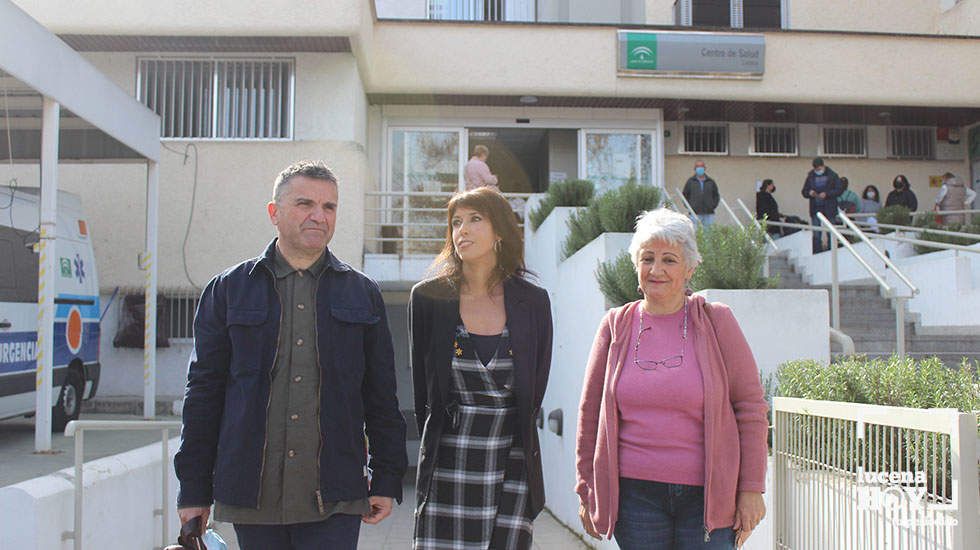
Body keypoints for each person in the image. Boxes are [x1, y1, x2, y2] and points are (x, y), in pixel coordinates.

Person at [174, 161, 407, 550]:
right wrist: (193, 489)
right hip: (252, 497)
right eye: (305, 204)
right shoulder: (227, 291)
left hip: (336, 498)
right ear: (274, 212)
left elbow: (381, 395)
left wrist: (386, 478)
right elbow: (202, 395)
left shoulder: (362, 294)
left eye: (329, 207)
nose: (319, 216)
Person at [575, 208, 768, 550]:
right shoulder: (615, 326)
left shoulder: (716, 321)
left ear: (690, 268)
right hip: (635, 498)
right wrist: (586, 488)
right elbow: (590, 414)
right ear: (637, 265)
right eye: (648, 258)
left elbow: (751, 408)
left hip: (708, 497)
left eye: (669, 259)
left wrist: (752, 488)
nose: (657, 269)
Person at [410, 187, 553, 550]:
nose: (463, 231)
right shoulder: (428, 298)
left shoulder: (533, 301)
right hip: (448, 456)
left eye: (475, 220)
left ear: (500, 231)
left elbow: (535, 387)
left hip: (512, 457)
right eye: (456, 222)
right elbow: (424, 392)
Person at [801, 157, 842, 253]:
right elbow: (804, 191)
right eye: (816, 169)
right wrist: (809, 193)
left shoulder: (832, 175)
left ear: (823, 166)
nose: (817, 171)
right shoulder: (811, 176)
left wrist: (827, 194)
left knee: (830, 232)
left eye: (819, 169)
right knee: (816, 232)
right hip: (815, 207)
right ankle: (817, 251)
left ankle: (831, 251)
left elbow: (839, 190)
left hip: (829, 207)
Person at [682, 160, 720, 227]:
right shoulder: (690, 181)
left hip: (709, 213)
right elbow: (685, 195)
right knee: (695, 233)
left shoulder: (710, 181)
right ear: (695, 168)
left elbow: (716, 195)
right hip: (694, 213)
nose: (700, 168)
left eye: (701, 166)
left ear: (705, 168)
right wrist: (690, 207)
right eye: (698, 166)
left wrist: (712, 206)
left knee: (708, 234)